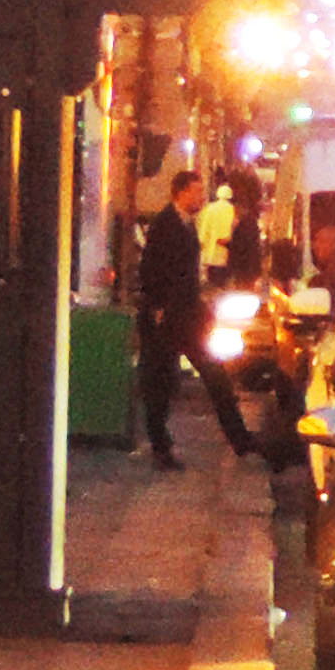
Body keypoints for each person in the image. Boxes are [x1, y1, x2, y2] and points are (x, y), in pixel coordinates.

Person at [131, 169, 245, 468]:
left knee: (212, 375)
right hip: (168, 319)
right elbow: (151, 270)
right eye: (195, 191)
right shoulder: (165, 226)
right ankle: (161, 446)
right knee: (162, 382)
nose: (200, 197)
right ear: (180, 193)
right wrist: (158, 308)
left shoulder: (186, 224)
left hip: (187, 316)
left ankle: (241, 440)